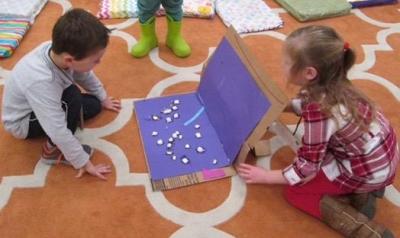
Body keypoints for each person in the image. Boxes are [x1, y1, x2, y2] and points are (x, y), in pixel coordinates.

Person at [237, 25, 399, 238]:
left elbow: (307, 167)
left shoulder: (319, 109)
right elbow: (305, 104)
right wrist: (279, 106)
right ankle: (364, 193)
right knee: (323, 163)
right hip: (383, 158)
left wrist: (266, 176)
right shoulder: (336, 84)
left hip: (366, 170)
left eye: (286, 62)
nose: (281, 65)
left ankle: (368, 231)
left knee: (297, 192)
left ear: (309, 73)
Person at [1, 9, 121, 180]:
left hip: (50, 99)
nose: (99, 63)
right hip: (23, 121)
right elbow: (56, 129)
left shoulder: (61, 53)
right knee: (72, 95)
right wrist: (83, 162)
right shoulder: (42, 81)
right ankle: (51, 151)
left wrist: (103, 98)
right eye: (95, 60)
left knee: (94, 105)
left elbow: (83, 73)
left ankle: (73, 110)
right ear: (69, 60)